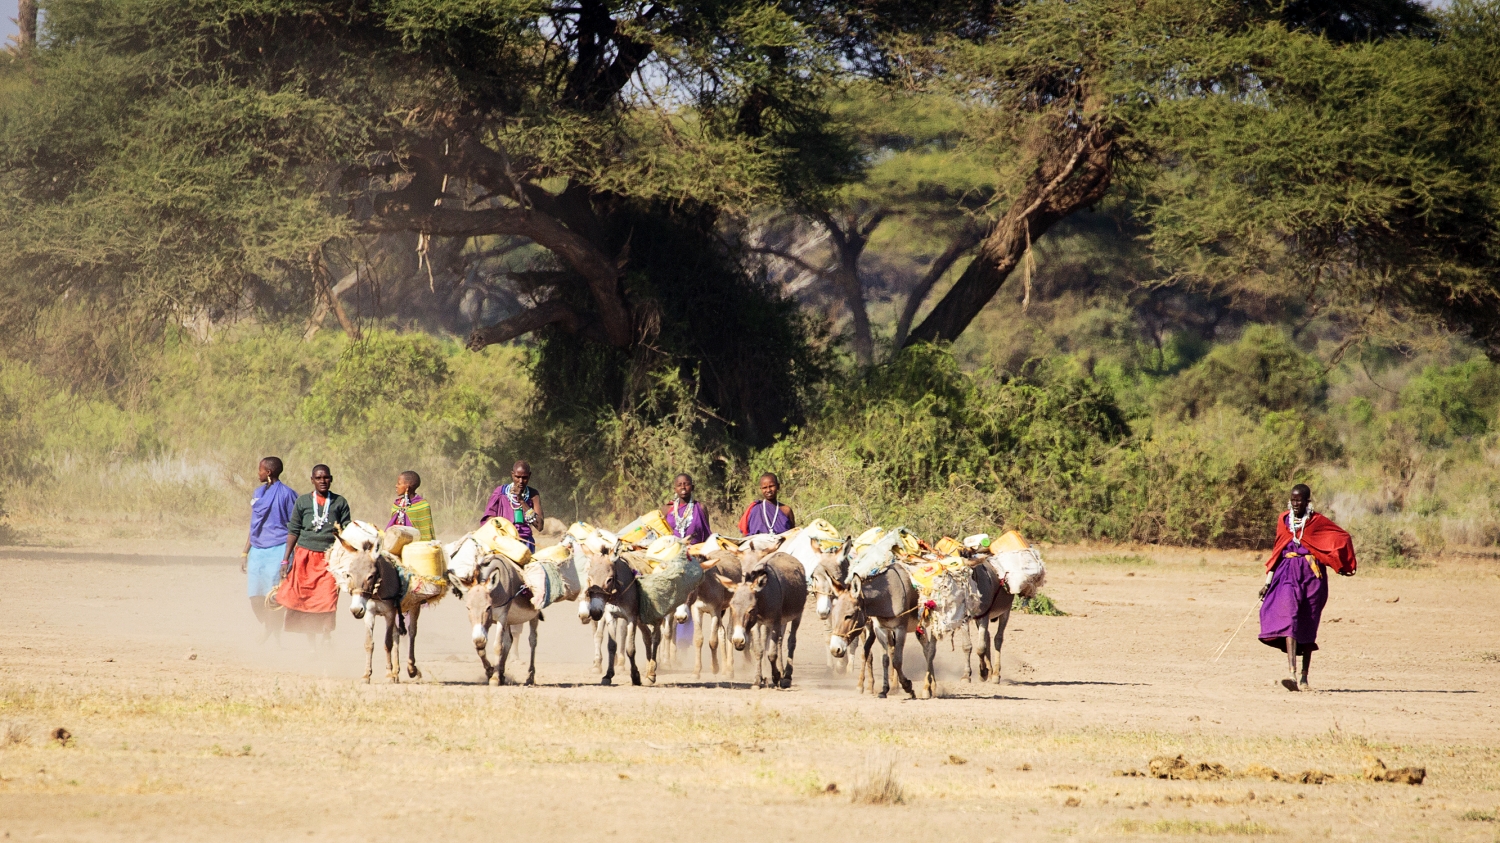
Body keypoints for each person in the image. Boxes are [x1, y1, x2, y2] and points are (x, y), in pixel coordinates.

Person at [1258, 484, 1357, 692]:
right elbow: (1277, 551)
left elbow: (1342, 537)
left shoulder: (1317, 521)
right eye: (1293, 500)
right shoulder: (1284, 520)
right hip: (1287, 572)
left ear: (1307, 501)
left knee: (1308, 622)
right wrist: (1267, 582)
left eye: (1299, 500)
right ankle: (1291, 674)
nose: (1295, 504)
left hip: (1312, 575)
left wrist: (1340, 562)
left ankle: (1304, 677)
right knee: (1289, 618)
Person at [280, 464, 352, 647]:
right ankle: (311, 642)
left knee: (328, 598)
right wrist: (285, 559)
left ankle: (326, 634)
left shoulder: (340, 502)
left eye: (326, 477)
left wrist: (347, 558)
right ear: (312, 480)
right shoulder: (303, 501)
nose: (322, 481)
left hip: (329, 559)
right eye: (318, 478)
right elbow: (293, 530)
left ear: (331, 479)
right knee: (305, 600)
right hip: (305, 558)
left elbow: (346, 532)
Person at [242, 457, 296, 643]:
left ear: (268, 472)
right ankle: (269, 626)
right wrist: (245, 552)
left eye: (260, 470)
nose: (258, 473)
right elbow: (254, 525)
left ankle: (273, 635)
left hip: (278, 549)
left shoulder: (288, 494)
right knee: (255, 596)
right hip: (257, 550)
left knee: (274, 596)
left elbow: (294, 527)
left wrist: (287, 557)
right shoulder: (258, 493)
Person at [481, 461, 544, 550]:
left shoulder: (533, 495)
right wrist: (503, 528)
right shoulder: (500, 492)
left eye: (524, 478)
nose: (521, 481)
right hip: (504, 541)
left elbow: (540, 526)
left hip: (525, 544)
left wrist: (521, 501)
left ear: (529, 475)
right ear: (512, 474)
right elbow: (489, 519)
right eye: (517, 477)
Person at [737, 472, 795, 536]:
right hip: (758, 542)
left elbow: (793, 535)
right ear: (761, 489)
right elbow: (745, 535)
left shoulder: (786, 510)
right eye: (764, 487)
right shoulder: (754, 509)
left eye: (771, 486)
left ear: (778, 486)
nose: (768, 490)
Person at [661, 473, 712, 544]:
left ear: (692, 487)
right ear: (675, 489)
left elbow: (707, 533)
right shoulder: (666, 509)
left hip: (695, 549)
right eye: (679, 485)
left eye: (686, 484)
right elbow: (661, 533)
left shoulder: (700, 507)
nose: (683, 487)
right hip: (673, 549)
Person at [387, 470, 435, 542]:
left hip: (416, 546)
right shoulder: (397, 504)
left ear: (407, 487)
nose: (396, 486)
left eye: (399, 483)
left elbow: (426, 533)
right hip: (396, 544)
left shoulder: (422, 506)